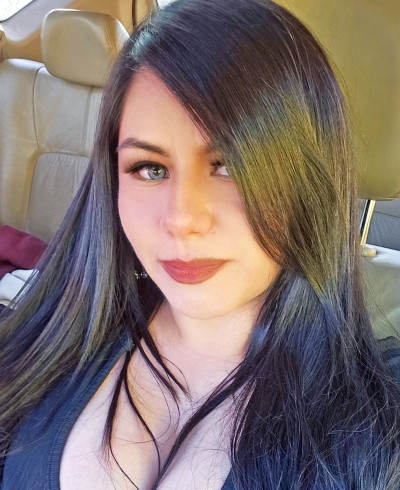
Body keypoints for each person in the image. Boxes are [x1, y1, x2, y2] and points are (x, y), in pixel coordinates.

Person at [1, 0, 400, 488]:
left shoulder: (376, 423)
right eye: (150, 169)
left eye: (229, 166)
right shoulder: (51, 337)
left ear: (308, 183)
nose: (182, 220)